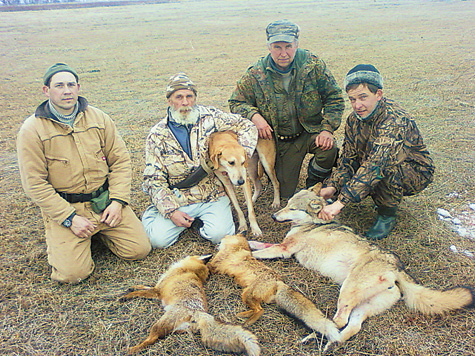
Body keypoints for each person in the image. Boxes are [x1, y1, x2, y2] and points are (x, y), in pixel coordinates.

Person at [17, 63, 151, 284]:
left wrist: (117, 201)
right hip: (68, 207)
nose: (66, 90)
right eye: (59, 85)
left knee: (139, 250)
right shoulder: (32, 130)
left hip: (104, 201)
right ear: (46, 90)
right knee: (72, 275)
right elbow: (34, 184)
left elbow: (121, 161)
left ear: (78, 87)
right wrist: (69, 219)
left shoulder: (99, 118)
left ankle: (99, 233)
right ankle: (73, 237)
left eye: (71, 85)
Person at [229, 19, 345, 198]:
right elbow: (236, 102)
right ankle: (282, 171)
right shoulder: (256, 73)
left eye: (288, 46)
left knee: (328, 150)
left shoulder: (313, 65)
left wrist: (327, 129)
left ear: (296, 44)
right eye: (277, 47)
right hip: (281, 140)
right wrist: (255, 116)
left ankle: (314, 184)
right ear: (269, 47)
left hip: (310, 131)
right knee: (284, 192)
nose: (283, 53)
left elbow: (334, 97)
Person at [318, 64, 435, 240]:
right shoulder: (353, 120)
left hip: (414, 170)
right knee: (354, 164)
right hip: (374, 162)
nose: (357, 105)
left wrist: (340, 203)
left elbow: (377, 165)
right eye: (352, 99)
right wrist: (333, 186)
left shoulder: (394, 119)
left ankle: (387, 214)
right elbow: (347, 158)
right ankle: (365, 194)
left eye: (363, 97)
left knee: (385, 170)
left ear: (378, 94)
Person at [142, 73, 258, 248]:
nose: (185, 102)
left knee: (222, 235)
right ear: (169, 101)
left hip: (211, 194)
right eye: (179, 97)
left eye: (189, 96)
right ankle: (156, 214)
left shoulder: (210, 117)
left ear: (195, 98)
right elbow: (153, 179)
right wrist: (171, 211)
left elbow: (246, 125)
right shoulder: (158, 134)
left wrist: (242, 154)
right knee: (158, 241)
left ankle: (203, 221)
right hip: (178, 198)